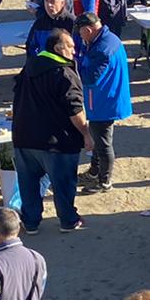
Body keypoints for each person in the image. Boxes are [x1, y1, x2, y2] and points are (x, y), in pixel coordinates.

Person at [12, 28, 92, 233]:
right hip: (56, 142)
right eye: (70, 47)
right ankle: (68, 220)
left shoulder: (29, 66)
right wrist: (86, 133)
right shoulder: (64, 73)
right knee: (63, 183)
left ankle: (30, 223)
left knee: (28, 183)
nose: (74, 51)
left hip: (24, 137)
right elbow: (75, 110)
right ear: (58, 48)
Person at [75, 11, 132, 191]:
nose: (80, 36)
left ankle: (104, 181)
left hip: (104, 101)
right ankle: (94, 171)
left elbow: (90, 77)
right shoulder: (108, 39)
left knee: (103, 142)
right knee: (99, 139)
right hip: (106, 98)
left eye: (80, 32)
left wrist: (73, 65)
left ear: (89, 30)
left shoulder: (102, 49)